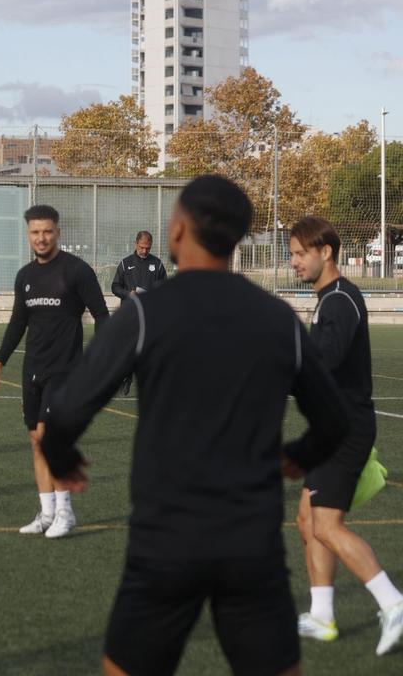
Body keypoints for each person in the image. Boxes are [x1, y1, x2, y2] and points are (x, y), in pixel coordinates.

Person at [40, 175, 352, 676]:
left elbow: (65, 411)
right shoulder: (278, 319)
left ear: (179, 229)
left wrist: (61, 457)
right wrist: (301, 455)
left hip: (166, 543)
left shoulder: (145, 314)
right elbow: (335, 420)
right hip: (252, 546)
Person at [288, 215, 403, 655]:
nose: (294, 262)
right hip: (332, 427)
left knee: (327, 525)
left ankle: (393, 604)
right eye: (292, 254)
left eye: (301, 254)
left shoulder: (338, 300)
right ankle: (322, 616)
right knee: (307, 520)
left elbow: (326, 359)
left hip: (345, 429)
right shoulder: (330, 298)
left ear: (326, 252)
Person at [0, 204, 108, 539]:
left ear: (58, 233)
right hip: (33, 370)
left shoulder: (76, 271)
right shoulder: (25, 276)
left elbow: (102, 315)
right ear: (28, 235)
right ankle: (47, 513)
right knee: (37, 441)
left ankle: (66, 513)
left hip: (66, 370)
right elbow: (18, 322)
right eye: (36, 232)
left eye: (47, 231)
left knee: (50, 439)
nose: (42, 238)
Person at [111, 231, 168, 395]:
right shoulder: (125, 263)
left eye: (148, 248)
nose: (144, 251)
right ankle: (127, 377)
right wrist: (128, 294)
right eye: (142, 247)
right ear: (136, 244)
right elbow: (115, 287)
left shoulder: (157, 264)